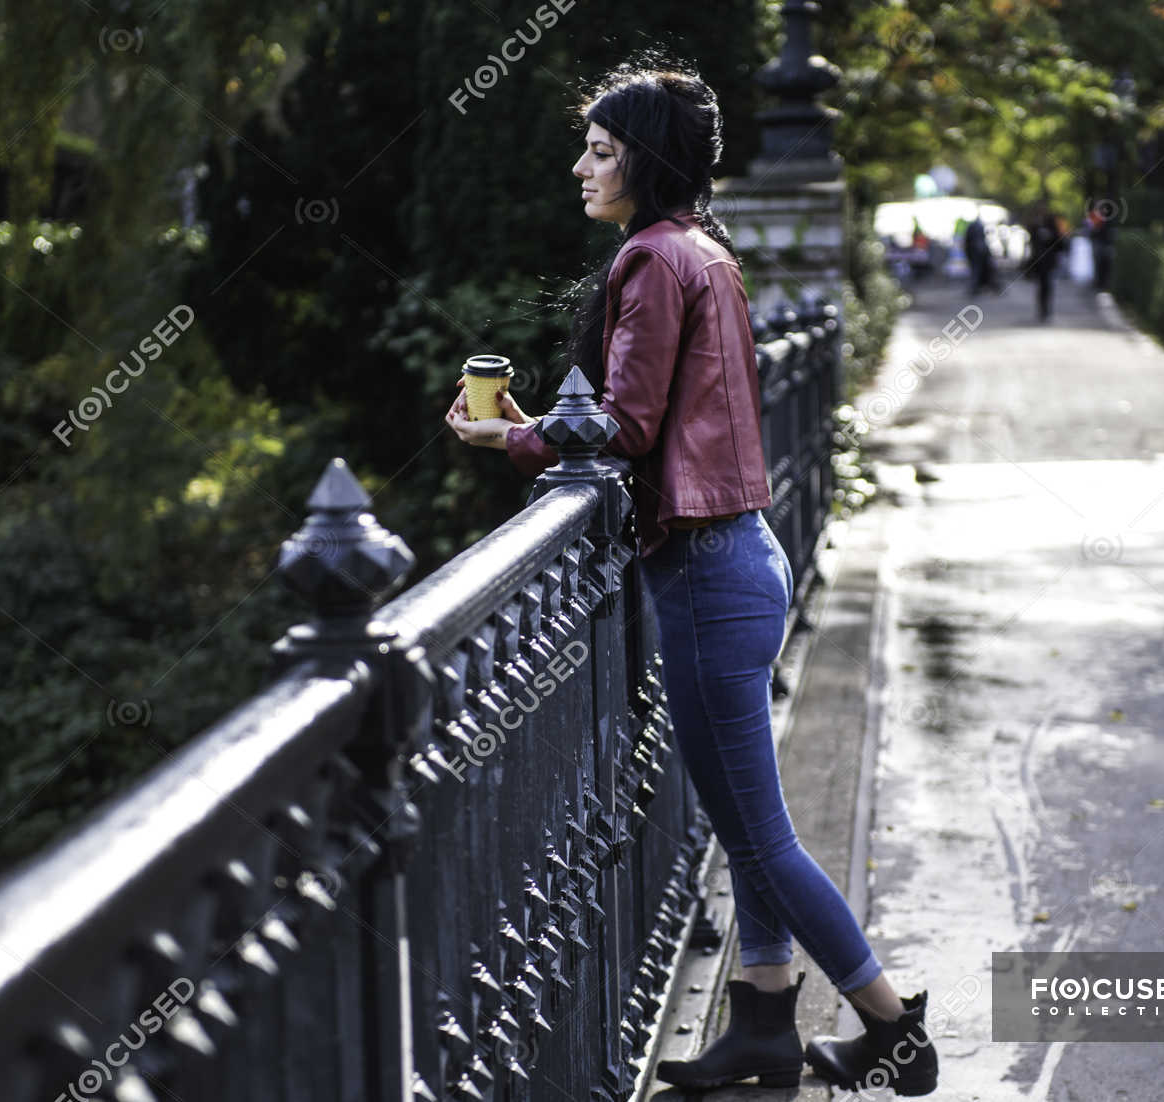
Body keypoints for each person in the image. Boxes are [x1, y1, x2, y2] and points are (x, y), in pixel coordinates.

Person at [443, 58, 939, 1098]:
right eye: (586, 146)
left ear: (646, 160)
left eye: (603, 149)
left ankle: (892, 1024)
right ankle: (763, 1016)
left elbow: (621, 427)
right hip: (737, 556)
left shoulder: (649, 262)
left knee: (759, 829)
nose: (582, 165)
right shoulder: (703, 251)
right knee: (742, 820)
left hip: (711, 577)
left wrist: (514, 437)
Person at [1026, 206, 1063, 321]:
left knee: (1047, 285)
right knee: (1041, 285)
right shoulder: (1035, 225)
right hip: (1038, 261)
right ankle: (1042, 309)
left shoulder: (1051, 224)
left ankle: (1046, 309)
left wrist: (1049, 237)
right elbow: (1032, 241)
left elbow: (1059, 242)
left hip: (1048, 260)